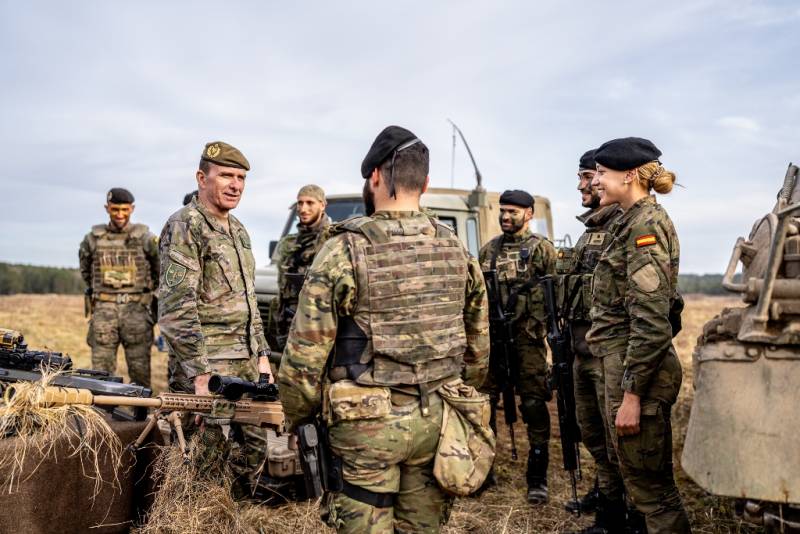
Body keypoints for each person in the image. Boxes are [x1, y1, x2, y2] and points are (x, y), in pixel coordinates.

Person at [278, 125, 490, 533]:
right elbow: (478, 347)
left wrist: (302, 420)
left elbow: (302, 362)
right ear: (425, 184)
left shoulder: (344, 250)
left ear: (374, 176)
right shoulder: (458, 250)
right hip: (438, 417)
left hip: (365, 425)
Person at [586, 137, 691, 533]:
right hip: (625, 366)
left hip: (639, 375)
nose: (595, 180)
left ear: (629, 175)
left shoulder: (645, 225)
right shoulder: (629, 220)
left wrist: (632, 396)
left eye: (601, 172)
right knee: (638, 482)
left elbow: (651, 321)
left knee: (654, 493)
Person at [157, 140, 273, 496]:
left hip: (245, 364)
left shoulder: (238, 231)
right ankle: (195, 518)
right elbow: (176, 308)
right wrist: (200, 372)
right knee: (204, 459)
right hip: (208, 369)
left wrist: (263, 356)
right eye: (226, 175)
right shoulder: (185, 226)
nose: (235, 184)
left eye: (241, 177)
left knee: (254, 452)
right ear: (201, 178)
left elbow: (249, 302)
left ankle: (233, 511)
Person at [556, 150, 630, 532]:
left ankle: (618, 514)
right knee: (590, 431)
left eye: (589, 176)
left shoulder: (624, 226)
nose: (584, 185)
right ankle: (606, 492)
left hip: (609, 354)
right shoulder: (590, 231)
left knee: (617, 440)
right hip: (581, 350)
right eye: (584, 177)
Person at [479, 189, 556, 504]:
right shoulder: (488, 252)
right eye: (503, 211)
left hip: (528, 343)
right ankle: (483, 471)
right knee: (484, 407)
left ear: (529, 214)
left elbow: (555, 298)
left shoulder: (542, 251)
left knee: (535, 406)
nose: (506, 217)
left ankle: (537, 477)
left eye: (513, 211)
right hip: (494, 341)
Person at [79, 187, 159, 387]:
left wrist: (151, 295)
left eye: (125, 210)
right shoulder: (92, 239)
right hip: (104, 312)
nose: (120, 215)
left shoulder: (146, 239)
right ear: (107, 208)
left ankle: (141, 415)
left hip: (137, 312)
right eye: (115, 209)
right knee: (100, 372)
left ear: (132, 208)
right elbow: (86, 272)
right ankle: (102, 414)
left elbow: (160, 269)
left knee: (140, 371)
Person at [271, 184, 330, 356]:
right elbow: (281, 289)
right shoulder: (287, 244)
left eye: (310, 203)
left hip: (318, 327)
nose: (303, 209)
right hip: (287, 325)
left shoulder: (333, 240)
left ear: (322, 205)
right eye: (300, 203)